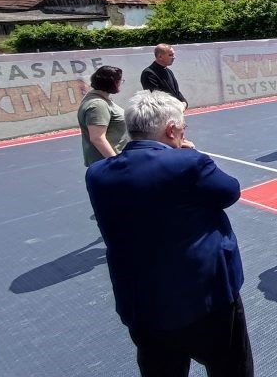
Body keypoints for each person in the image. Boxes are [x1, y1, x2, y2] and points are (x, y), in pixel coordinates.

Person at [85, 90, 252, 376]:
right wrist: (191, 154)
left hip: (143, 305)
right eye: (183, 126)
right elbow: (230, 191)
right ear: (171, 129)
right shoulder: (188, 163)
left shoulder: (98, 174)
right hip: (206, 299)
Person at [77, 65, 130, 167]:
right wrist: (117, 163)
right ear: (113, 83)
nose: (121, 83)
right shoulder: (98, 105)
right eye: (120, 80)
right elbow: (97, 138)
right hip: (107, 164)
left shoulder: (96, 98)